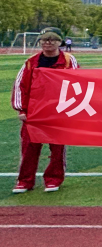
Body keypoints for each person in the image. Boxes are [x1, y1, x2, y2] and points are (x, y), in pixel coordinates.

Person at [11, 30, 78, 194]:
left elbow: (77, 83)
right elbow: (20, 86)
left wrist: (70, 109)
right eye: (45, 39)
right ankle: (25, 181)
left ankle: (53, 179)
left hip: (57, 112)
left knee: (57, 149)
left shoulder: (68, 61)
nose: (48, 42)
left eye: (53, 39)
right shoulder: (30, 62)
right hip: (33, 112)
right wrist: (21, 109)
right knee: (29, 148)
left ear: (60, 42)